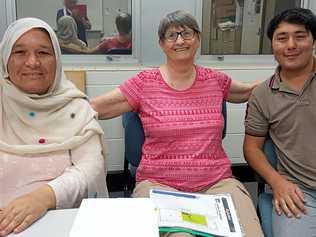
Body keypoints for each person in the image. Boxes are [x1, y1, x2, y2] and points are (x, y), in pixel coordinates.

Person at [91, 10, 263, 237]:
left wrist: (291, 73)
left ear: (198, 39)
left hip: (216, 182)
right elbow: (95, 108)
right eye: (172, 35)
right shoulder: (144, 83)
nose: (180, 40)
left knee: (248, 232)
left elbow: (248, 92)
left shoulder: (215, 80)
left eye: (187, 33)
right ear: (162, 44)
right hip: (160, 185)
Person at [0, 17, 108, 236]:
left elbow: (90, 168)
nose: (32, 62)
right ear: (5, 59)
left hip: (65, 223)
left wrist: (44, 197)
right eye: (19, 52)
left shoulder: (76, 108)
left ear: (57, 59)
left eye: (43, 53)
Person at [244, 8, 316, 237]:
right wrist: (277, 182)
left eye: (300, 36)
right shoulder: (262, 95)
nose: (291, 45)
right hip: (300, 191)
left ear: (313, 41)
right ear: (273, 45)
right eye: (282, 38)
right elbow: (251, 148)